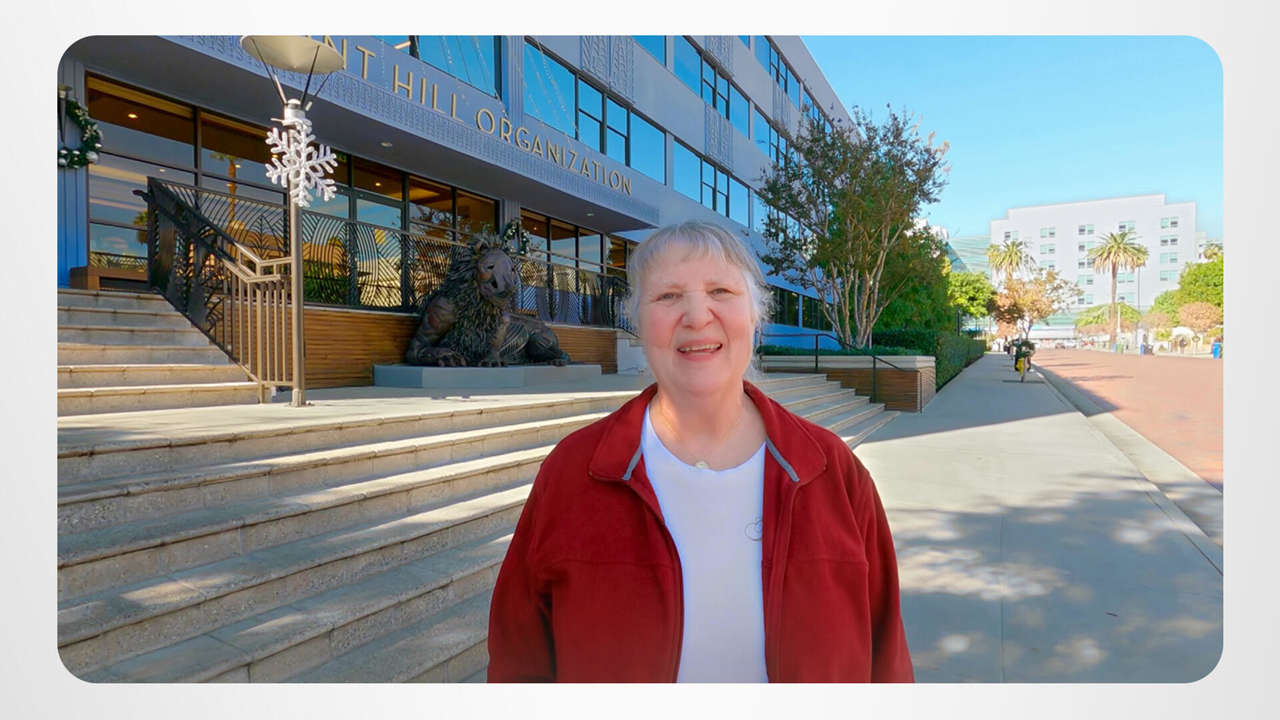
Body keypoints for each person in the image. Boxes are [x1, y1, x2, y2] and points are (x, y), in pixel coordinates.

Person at [487, 221, 913, 683]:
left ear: (756, 314)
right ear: (637, 322)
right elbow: (517, 666)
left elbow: (887, 662)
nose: (696, 316)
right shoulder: (574, 473)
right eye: (668, 296)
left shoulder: (832, 472)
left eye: (720, 291)